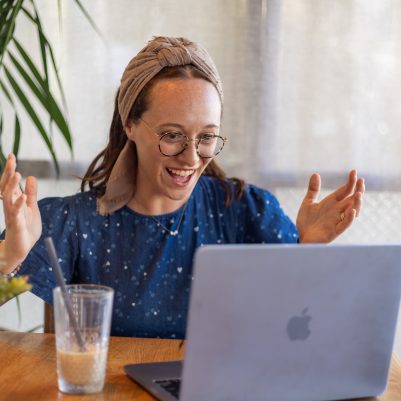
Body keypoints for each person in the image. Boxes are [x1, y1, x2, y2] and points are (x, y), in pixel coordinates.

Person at [0, 36, 364, 338]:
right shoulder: (74, 222)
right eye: (172, 135)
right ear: (129, 124)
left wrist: (308, 252)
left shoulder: (246, 212)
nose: (191, 157)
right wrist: (9, 257)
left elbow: (294, 328)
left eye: (207, 137)